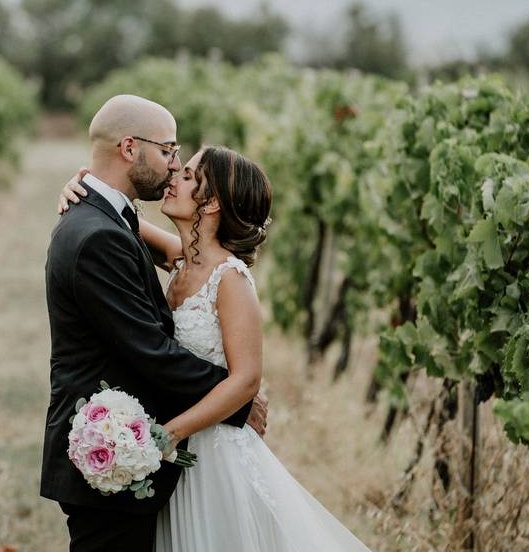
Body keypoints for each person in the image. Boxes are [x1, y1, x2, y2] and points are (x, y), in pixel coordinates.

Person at [59, 145, 373, 551]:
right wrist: (79, 186)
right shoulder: (183, 260)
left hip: (212, 452)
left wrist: (169, 435)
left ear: (211, 205)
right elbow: (116, 218)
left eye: (188, 176)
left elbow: (246, 381)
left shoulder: (230, 278)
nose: (174, 178)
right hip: (180, 457)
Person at [41, 94, 268, 552]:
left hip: (159, 453)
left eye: (186, 168)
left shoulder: (121, 227)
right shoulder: (99, 235)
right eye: (169, 152)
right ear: (129, 148)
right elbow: (151, 352)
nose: (174, 166)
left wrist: (86, 185)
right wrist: (238, 400)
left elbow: (199, 259)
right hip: (115, 449)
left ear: (212, 204)